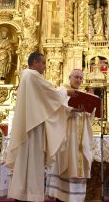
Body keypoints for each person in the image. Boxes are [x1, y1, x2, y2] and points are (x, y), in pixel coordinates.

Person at [5, 52, 79, 201]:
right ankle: (30, 195)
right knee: (31, 162)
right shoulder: (32, 76)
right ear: (36, 62)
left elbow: (45, 102)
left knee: (27, 163)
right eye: (44, 63)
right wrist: (67, 91)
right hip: (33, 128)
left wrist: (69, 109)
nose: (45, 67)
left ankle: (24, 194)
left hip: (32, 124)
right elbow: (51, 94)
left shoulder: (26, 77)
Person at [46, 69, 95, 202]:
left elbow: (89, 116)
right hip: (67, 136)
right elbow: (55, 108)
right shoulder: (62, 91)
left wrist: (92, 103)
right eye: (76, 77)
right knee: (66, 164)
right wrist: (71, 110)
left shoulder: (82, 94)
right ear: (70, 77)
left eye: (81, 78)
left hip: (80, 138)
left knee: (78, 166)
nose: (79, 80)